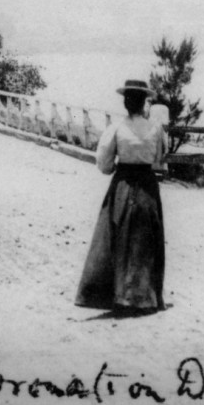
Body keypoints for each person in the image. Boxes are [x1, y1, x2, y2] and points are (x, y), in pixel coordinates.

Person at [74, 79, 167, 314]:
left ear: (126, 103)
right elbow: (159, 158)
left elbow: (104, 162)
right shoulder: (156, 128)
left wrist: (114, 167)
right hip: (147, 184)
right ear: (143, 102)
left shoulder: (116, 128)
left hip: (124, 183)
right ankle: (145, 298)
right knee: (145, 239)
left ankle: (118, 296)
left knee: (115, 236)